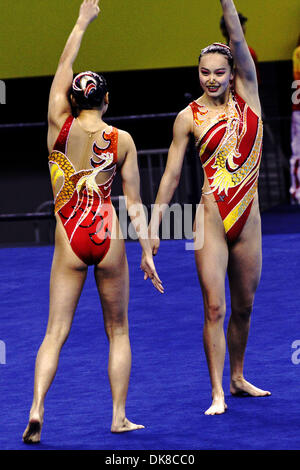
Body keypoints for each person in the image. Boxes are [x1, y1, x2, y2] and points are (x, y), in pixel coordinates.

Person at [23, 0, 163, 444]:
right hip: (107, 234)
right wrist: (146, 250)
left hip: (69, 234)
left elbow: (65, 64)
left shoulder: (57, 126)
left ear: (69, 99)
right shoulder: (121, 140)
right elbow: (135, 203)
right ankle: (119, 415)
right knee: (118, 330)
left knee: (54, 332)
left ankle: (37, 407)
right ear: (106, 100)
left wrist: (83, 21)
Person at [147, 0, 270, 415]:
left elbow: (237, 36)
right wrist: (154, 227)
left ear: (234, 71)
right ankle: (217, 392)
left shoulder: (249, 95)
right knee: (214, 307)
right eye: (205, 72)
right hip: (210, 218)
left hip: (248, 218)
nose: (212, 79)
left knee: (245, 306)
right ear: (197, 75)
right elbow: (170, 177)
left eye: (220, 71)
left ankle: (237, 378)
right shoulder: (188, 117)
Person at [220, 11, 261, 85]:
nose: (241, 27)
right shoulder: (219, 53)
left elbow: (254, 83)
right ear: (224, 29)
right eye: (237, 25)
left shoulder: (250, 52)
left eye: (241, 24)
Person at [289, 34, 300, 204]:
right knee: (298, 152)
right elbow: (297, 83)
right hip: (299, 111)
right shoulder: (298, 52)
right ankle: (297, 193)